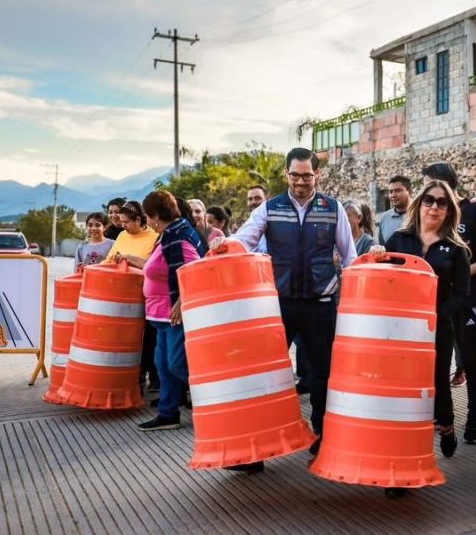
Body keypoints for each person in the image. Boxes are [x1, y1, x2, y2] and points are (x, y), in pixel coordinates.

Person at [220, 148, 357, 454]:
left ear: (317, 175)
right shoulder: (269, 209)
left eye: (307, 176)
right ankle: (256, 445)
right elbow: (243, 240)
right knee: (265, 373)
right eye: (295, 175)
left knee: (323, 373)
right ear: (286, 174)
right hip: (278, 305)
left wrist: (354, 303)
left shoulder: (333, 209)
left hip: (321, 305)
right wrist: (223, 244)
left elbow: (350, 257)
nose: (300, 182)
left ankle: (323, 435)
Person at [371, 179, 472, 469]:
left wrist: (434, 314)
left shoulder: (456, 250)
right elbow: (384, 278)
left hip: (436, 328)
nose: (434, 207)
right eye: (429, 200)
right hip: (401, 329)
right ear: (419, 203)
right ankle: (405, 440)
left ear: (449, 210)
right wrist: (378, 257)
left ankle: (447, 425)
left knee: (438, 380)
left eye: (442, 202)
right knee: (403, 383)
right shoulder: (399, 240)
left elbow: (462, 295)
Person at [112, 190, 208, 433]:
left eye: (147, 216)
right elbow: (155, 267)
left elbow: (195, 271)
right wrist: (131, 259)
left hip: (174, 314)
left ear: (155, 216)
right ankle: (168, 413)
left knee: (176, 364)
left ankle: (214, 397)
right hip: (160, 315)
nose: (147, 220)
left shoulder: (179, 237)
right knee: (163, 365)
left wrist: (180, 303)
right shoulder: (167, 235)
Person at [422, 162, 476, 445]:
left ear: (443, 184)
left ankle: (474, 417)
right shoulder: (430, 214)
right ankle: (443, 417)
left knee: (471, 363)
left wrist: (464, 272)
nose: (426, 194)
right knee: (437, 363)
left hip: (470, 301)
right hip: (436, 304)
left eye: (429, 185)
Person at [102, 200, 161, 394]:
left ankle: (153, 376)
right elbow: (109, 260)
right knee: (128, 337)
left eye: (126, 222)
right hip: (121, 295)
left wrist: (129, 258)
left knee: (150, 337)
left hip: (145, 294)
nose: (123, 225)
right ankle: (135, 374)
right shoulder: (122, 235)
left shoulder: (154, 237)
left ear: (139, 219)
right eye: (122, 221)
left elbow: (153, 265)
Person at [378, 176, 413, 245]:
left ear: (410, 192)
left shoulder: (421, 214)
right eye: (391, 192)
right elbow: (382, 247)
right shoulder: (385, 218)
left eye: (398, 191)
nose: (393, 195)